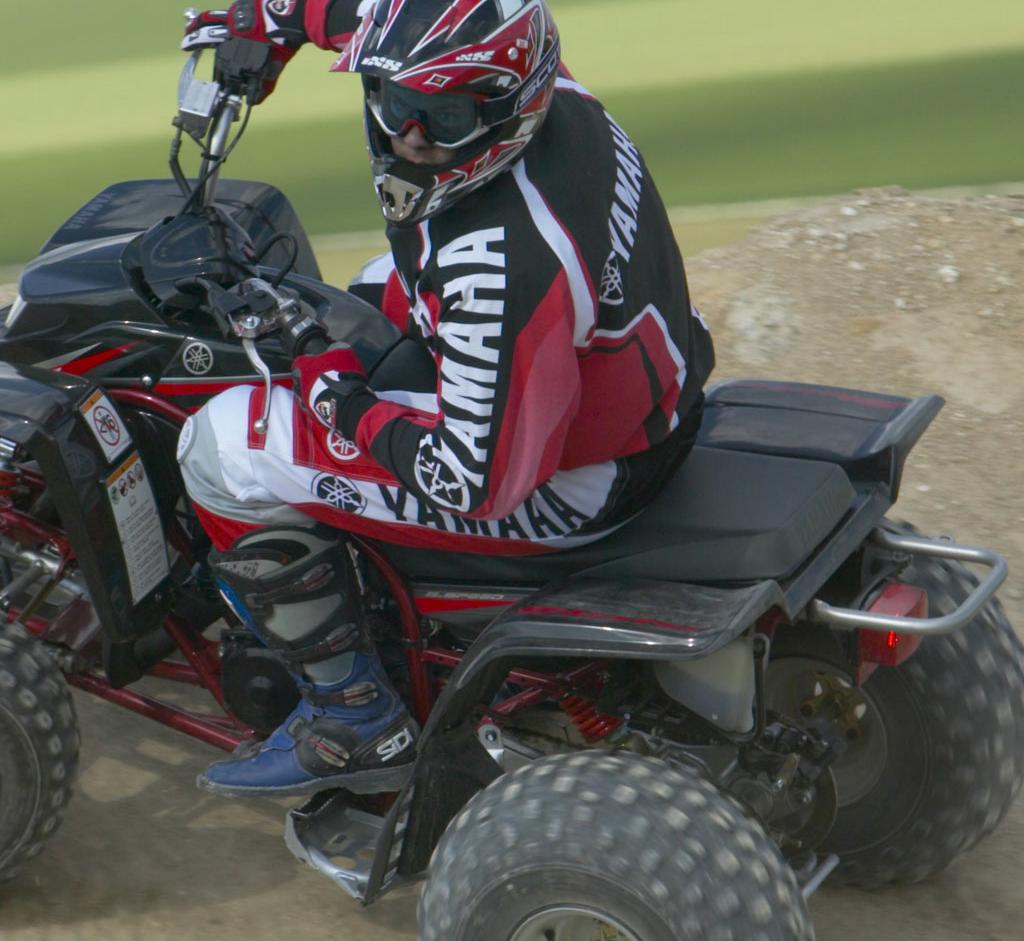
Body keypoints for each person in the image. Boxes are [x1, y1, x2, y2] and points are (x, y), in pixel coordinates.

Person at [176, 0, 714, 797]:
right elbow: (389, 21)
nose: (411, 136)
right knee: (348, 301)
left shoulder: (494, 264)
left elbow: (472, 480)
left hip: (570, 485)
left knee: (222, 447)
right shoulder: (543, 86)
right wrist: (277, 17)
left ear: (506, 107)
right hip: (633, 394)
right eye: (396, 102)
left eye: (446, 116)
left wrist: (337, 400)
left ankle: (354, 715)